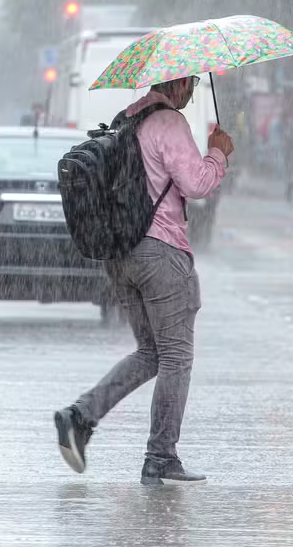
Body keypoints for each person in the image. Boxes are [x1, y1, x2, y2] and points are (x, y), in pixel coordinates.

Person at [54, 75, 235, 485]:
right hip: (161, 252)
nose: (191, 92)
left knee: (151, 352)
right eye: (189, 83)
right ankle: (160, 457)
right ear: (180, 82)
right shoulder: (169, 123)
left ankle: (80, 416)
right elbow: (197, 183)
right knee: (175, 357)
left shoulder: (128, 118)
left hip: (122, 253)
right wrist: (219, 155)